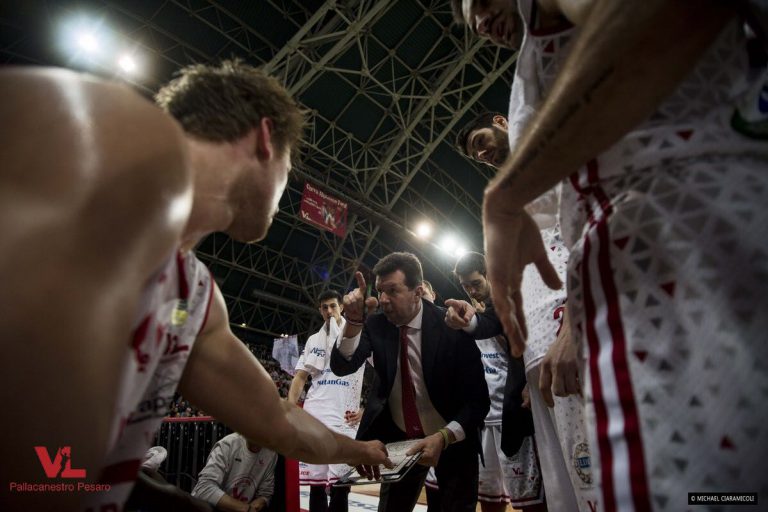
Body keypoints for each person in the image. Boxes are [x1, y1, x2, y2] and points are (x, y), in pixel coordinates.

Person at [0, 61, 389, 512]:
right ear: (266, 139)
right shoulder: (90, 119)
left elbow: (278, 421)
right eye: (289, 166)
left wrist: (359, 450)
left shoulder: (192, 297)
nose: (286, 187)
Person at [460, 0, 768, 509]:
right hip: (635, 282)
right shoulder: (537, 84)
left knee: (707, 489)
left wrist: (507, 194)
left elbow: (662, 14)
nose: (474, 18)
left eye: (476, 2)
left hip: (695, 247)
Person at [456, 113, 597, 511]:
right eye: (474, 153)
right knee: (568, 488)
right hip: (539, 367)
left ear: (502, 120)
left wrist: (573, 326)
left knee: (596, 478)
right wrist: (524, 372)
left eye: (480, 141)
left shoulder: (553, 158)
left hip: (571, 344)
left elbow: (587, 238)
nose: (481, 154)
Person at [330, 252, 490, 512]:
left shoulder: (451, 327)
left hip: (451, 437)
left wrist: (444, 437)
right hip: (400, 439)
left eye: (392, 291)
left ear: (417, 293)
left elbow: (478, 401)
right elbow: (342, 366)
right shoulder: (376, 325)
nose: (383, 299)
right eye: (380, 291)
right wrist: (353, 320)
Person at [287, 290, 367, 512]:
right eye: (325, 307)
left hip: (345, 419)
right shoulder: (314, 339)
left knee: (341, 486)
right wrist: (290, 408)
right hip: (315, 415)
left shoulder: (360, 334)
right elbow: (300, 377)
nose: (329, 311)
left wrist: (366, 409)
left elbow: (384, 371)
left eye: (333, 306)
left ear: (342, 307)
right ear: (320, 310)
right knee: (317, 487)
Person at [191, 433, 277, 512]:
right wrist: (246, 508)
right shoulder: (228, 444)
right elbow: (203, 488)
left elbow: (265, 494)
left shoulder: (271, 454)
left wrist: (257, 505)